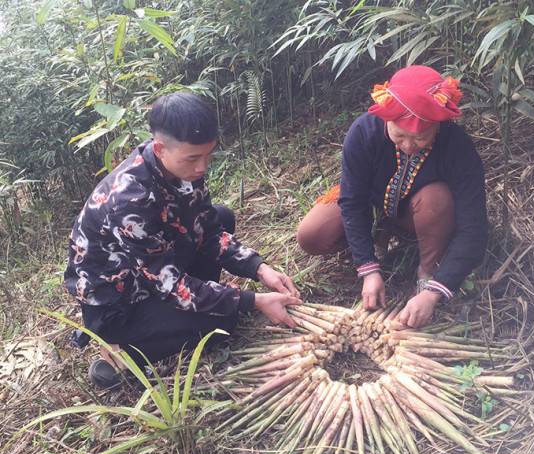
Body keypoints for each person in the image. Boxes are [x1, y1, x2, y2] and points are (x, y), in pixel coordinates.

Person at [65, 91, 302, 389]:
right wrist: (252, 301)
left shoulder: (182, 168)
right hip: (118, 299)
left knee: (221, 216)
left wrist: (259, 269)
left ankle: (191, 307)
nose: (203, 167)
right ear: (160, 148)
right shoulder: (129, 201)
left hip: (150, 270)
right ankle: (119, 352)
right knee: (222, 323)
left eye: (208, 154)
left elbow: (210, 229)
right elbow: (169, 285)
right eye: (194, 158)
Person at [297, 66, 487, 329]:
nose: (409, 145)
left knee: (437, 199)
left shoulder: (457, 147)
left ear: (438, 126)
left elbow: (474, 230)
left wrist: (434, 291)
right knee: (312, 234)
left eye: (420, 137)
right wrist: (368, 269)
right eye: (399, 135)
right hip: (371, 204)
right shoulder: (364, 132)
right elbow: (351, 201)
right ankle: (379, 233)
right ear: (386, 121)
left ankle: (426, 272)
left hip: (421, 210)